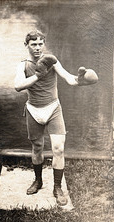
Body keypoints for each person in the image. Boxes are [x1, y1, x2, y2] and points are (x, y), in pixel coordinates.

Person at [14, 30, 98, 206]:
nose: (37, 47)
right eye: (33, 44)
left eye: (40, 43)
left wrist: (81, 80)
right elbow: (17, 86)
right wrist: (38, 75)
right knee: (37, 148)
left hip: (53, 108)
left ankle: (57, 187)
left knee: (58, 149)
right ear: (26, 45)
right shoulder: (23, 65)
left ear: (44, 43)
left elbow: (68, 79)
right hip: (33, 110)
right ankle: (38, 180)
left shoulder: (51, 61)